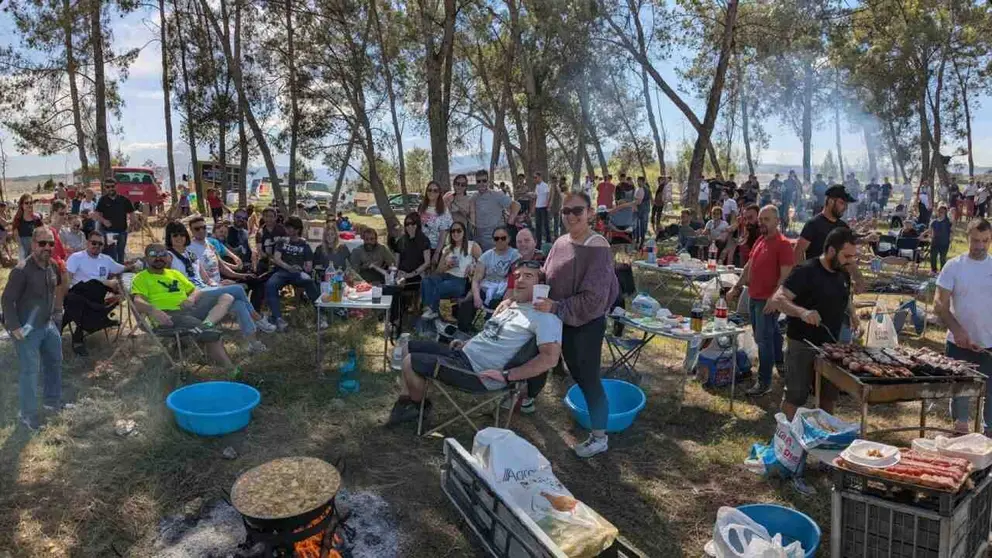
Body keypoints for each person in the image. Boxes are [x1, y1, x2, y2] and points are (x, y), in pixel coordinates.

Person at [387, 262, 563, 426]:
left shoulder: (544, 317)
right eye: (517, 276)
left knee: (410, 362)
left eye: (528, 276)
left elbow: (549, 359)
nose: (520, 280)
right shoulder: (512, 306)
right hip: (463, 355)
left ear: (541, 286)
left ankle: (419, 409)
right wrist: (467, 343)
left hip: (478, 373)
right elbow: (491, 334)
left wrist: (508, 375)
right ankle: (407, 400)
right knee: (407, 347)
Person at [536, 191, 619, 457]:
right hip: (557, 318)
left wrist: (557, 307)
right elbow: (547, 273)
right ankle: (525, 400)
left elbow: (595, 298)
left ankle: (599, 437)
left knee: (587, 378)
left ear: (590, 213)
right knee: (546, 361)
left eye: (577, 210)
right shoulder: (560, 241)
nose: (571, 216)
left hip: (585, 324)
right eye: (566, 211)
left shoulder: (598, 246)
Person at [771, 227, 859, 420]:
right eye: (847, 256)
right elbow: (779, 298)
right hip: (802, 343)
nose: (851, 261)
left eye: (853, 256)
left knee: (828, 396)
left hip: (831, 346)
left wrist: (853, 314)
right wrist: (802, 312)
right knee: (796, 396)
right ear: (831, 251)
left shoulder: (842, 273)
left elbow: (845, 297)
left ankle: (823, 439)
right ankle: (786, 439)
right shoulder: (806, 271)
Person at [130, 243, 239, 373]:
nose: (159, 257)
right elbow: (137, 301)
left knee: (226, 297)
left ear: (168, 257)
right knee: (212, 335)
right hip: (169, 316)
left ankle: (205, 325)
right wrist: (153, 310)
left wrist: (191, 298)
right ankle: (231, 371)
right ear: (146, 258)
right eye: (154, 254)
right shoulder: (141, 277)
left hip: (189, 310)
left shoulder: (175, 274)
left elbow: (196, 290)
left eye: (163, 254)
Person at [1, 227, 66, 430]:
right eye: (42, 243)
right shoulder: (21, 271)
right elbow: (7, 301)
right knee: (30, 371)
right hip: (27, 330)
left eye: (50, 243)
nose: (47, 247)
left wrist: (57, 311)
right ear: (33, 245)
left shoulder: (52, 266)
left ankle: (51, 402)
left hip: (48, 326)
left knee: (55, 361)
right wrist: (14, 327)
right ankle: (27, 415)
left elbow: (58, 288)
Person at [166, 220, 275, 341]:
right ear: (169, 237)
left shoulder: (191, 254)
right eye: (174, 235)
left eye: (181, 234)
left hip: (205, 290)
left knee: (239, 303)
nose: (179, 238)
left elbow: (206, 279)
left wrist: (218, 284)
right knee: (238, 289)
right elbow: (159, 274)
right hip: (191, 295)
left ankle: (253, 344)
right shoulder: (168, 256)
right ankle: (258, 319)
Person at [729, 206, 794, 396]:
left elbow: (785, 276)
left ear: (777, 221)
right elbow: (749, 266)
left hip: (768, 299)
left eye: (767, 219)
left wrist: (774, 299)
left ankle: (764, 382)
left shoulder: (783, 244)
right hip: (753, 296)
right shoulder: (760, 239)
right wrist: (736, 287)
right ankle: (781, 364)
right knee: (771, 333)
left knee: (762, 340)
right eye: (761, 219)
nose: (762, 223)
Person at [935, 219, 992, 434]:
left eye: (985, 241)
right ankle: (960, 434)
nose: (980, 246)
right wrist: (957, 330)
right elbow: (939, 303)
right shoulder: (954, 266)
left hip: (989, 344)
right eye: (975, 241)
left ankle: (988, 446)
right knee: (961, 396)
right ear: (967, 238)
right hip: (960, 345)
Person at [64, 230, 133, 355]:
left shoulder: (106, 259)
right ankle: (79, 336)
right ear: (87, 242)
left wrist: (136, 264)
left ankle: (79, 336)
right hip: (77, 296)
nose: (96, 246)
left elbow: (122, 268)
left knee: (104, 289)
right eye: (94, 243)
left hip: (96, 300)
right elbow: (67, 279)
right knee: (93, 285)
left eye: (100, 244)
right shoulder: (76, 257)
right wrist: (104, 282)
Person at [457, 226, 520, 332]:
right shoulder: (486, 256)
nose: (499, 241)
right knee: (467, 304)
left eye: (503, 238)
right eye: (496, 238)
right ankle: (465, 332)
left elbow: (515, 278)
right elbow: (476, 280)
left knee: (497, 304)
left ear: (508, 239)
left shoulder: (515, 255)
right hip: (486, 287)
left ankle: (492, 331)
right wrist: (477, 297)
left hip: (506, 289)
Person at [419, 221, 480, 320]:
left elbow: (483, 263)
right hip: (445, 276)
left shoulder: (472, 246)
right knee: (426, 281)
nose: (455, 233)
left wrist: (473, 265)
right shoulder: (447, 248)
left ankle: (431, 310)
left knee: (439, 287)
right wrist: (446, 264)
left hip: (460, 280)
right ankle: (431, 310)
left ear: (464, 232)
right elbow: (438, 271)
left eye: (458, 231)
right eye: (453, 231)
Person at [387, 213, 432, 331]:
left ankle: (396, 320)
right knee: (392, 286)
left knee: (398, 287)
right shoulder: (401, 241)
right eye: (407, 224)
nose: (409, 226)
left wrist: (412, 274)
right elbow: (396, 262)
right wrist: (396, 272)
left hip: (416, 275)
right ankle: (395, 319)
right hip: (402, 274)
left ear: (418, 224)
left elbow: (427, 262)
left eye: (412, 224)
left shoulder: (424, 240)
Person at [794, 185, 857, 262]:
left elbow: (847, 252)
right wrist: (805, 272)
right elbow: (798, 253)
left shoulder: (843, 226)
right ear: (830, 201)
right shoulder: (813, 225)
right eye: (842, 203)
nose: (845, 208)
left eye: (846, 204)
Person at [470, 169, 518, 252]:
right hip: (480, 240)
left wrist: (510, 223)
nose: (481, 184)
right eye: (479, 181)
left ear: (488, 182)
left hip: (496, 239)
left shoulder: (496, 195)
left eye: (484, 181)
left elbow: (516, 205)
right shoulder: (474, 197)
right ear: (476, 183)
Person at [93, 178, 134, 263]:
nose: (110, 188)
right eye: (108, 187)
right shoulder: (102, 200)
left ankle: (120, 274)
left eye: (112, 186)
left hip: (122, 232)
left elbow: (132, 213)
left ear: (116, 186)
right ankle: (110, 274)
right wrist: (104, 221)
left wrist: (131, 225)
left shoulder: (124, 200)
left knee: (120, 253)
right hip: (108, 232)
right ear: (105, 188)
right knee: (109, 254)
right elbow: (96, 214)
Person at [419, 181, 452, 266]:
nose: (432, 192)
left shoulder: (444, 210)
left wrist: (437, 253)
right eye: (429, 190)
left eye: (435, 190)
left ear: (439, 193)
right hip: (421, 247)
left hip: (436, 248)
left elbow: (443, 233)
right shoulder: (421, 207)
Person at [13, 193, 43, 261]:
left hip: (35, 247)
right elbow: (16, 234)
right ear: (22, 205)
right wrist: (21, 248)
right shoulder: (18, 219)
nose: (29, 205)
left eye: (31, 202)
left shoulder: (37, 218)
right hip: (23, 247)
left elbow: (42, 232)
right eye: (26, 203)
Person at [533, 171, 551, 246]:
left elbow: (548, 196)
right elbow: (536, 196)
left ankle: (548, 241)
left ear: (540, 177)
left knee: (546, 224)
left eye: (535, 177)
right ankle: (538, 243)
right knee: (538, 225)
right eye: (534, 177)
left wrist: (548, 206)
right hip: (537, 207)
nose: (534, 179)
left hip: (543, 207)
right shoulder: (537, 186)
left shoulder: (545, 185)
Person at [634, 176, 652, 247]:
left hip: (641, 209)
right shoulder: (646, 188)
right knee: (641, 225)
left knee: (641, 225)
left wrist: (632, 203)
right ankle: (640, 240)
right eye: (638, 181)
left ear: (643, 181)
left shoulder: (642, 189)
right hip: (645, 209)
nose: (638, 182)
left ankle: (640, 241)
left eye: (639, 181)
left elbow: (639, 201)